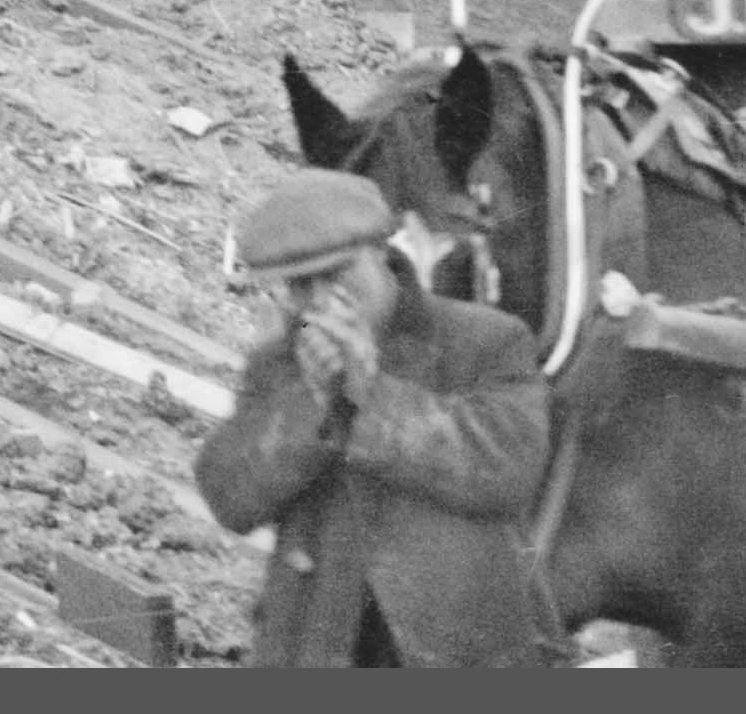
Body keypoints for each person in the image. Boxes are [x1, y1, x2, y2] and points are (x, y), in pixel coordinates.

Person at [195, 168, 563, 666]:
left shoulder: (485, 342)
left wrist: (371, 395)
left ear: (381, 254)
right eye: (300, 285)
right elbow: (229, 496)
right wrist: (313, 405)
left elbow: (508, 469)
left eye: (338, 274)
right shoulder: (280, 365)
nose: (322, 301)